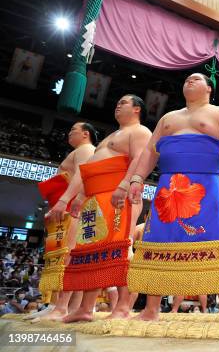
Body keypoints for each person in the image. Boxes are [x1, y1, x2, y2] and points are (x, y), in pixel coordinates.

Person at [127, 73, 219, 323]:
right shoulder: (168, 118)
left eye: (196, 79)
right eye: (187, 79)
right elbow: (149, 150)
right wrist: (137, 178)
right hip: (168, 183)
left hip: (209, 182)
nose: (189, 81)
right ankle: (151, 309)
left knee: (215, 242)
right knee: (159, 241)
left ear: (209, 88)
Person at [47, 95, 151, 323]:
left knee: (121, 248)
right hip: (95, 198)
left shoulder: (140, 131)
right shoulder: (110, 137)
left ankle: (123, 307)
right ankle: (85, 307)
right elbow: (90, 169)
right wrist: (80, 195)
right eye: (118, 101)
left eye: (123, 102)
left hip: (118, 195)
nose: (118, 104)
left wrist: (124, 186)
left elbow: (140, 159)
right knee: (90, 251)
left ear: (136, 109)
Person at [33, 123, 97, 321]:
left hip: (73, 206)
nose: (69, 133)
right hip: (68, 206)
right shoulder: (80, 151)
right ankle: (61, 306)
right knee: (66, 255)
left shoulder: (86, 149)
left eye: (73, 130)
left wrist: (65, 202)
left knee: (68, 255)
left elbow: (82, 176)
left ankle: (61, 307)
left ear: (85, 134)